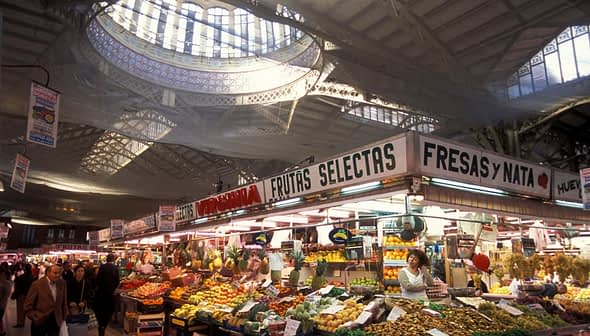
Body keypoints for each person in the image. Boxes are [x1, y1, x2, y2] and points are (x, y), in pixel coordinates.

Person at [24, 264, 69, 336]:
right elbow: (27, 305)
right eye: (55, 273)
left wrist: (64, 315)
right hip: (40, 320)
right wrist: (34, 316)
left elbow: (64, 301)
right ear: (48, 273)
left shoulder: (62, 283)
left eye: (59, 273)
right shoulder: (37, 284)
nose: (57, 275)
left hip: (56, 320)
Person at [94, 254, 120, 336]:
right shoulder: (115, 268)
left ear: (107, 259)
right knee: (109, 311)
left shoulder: (102, 267)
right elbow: (117, 281)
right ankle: (103, 325)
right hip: (110, 294)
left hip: (101, 293)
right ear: (113, 260)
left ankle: (101, 325)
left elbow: (98, 279)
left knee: (101, 310)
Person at [12, 263, 34, 328]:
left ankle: (20, 323)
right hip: (28, 295)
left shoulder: (22, 277)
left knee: (20, 310)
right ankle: (26, 321)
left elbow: (17, 284)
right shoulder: (31, 277)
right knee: (26, 309)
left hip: (21, 295)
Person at [0, 269, 13, 336]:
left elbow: (5, 295)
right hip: (2, 304)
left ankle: (1, 331)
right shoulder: (6, 283)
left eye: (2, 275)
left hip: (1, 304)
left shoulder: (6, 284)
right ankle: (1, 331)